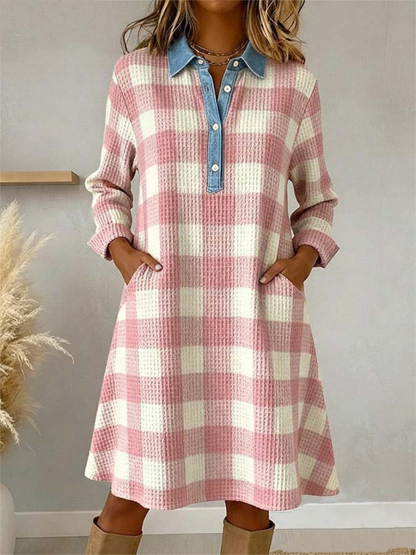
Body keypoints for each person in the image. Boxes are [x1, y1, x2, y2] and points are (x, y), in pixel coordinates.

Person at [83, 0, 341, 553]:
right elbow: (108, 186)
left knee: (252, 494)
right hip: (163, 312)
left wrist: (301, 263)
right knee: (129, 492)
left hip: (258, 316)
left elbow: (318, 200)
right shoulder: (135, 76)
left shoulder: (294, 84)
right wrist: (122, 252)